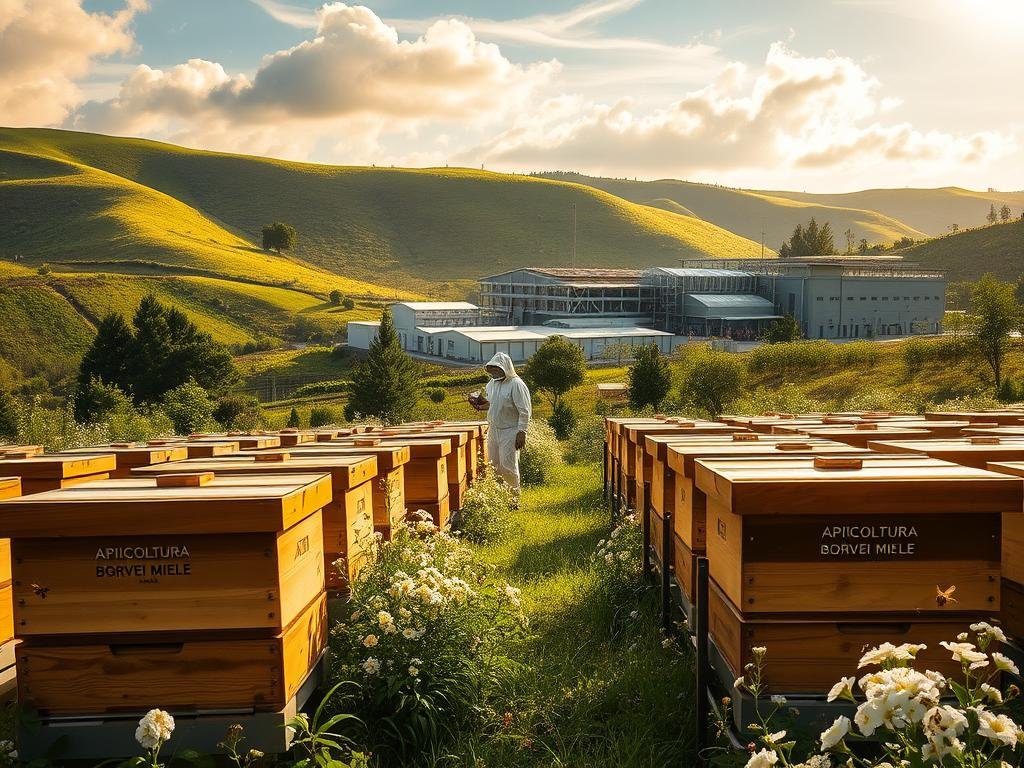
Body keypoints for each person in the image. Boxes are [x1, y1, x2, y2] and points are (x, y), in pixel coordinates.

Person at [468, 352, 531, 493]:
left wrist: (522, 432)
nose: (495, 372)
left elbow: (524, 410)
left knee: (508, 466)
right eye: (492, 369)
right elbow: (493, 404)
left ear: (506, 367)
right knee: (494, 465)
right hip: (494, 429)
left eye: (497, 368)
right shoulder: (491, 384)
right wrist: (480, 404)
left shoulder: (516, 384)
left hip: (510, 430)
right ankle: (500, 496)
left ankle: (513, 499)